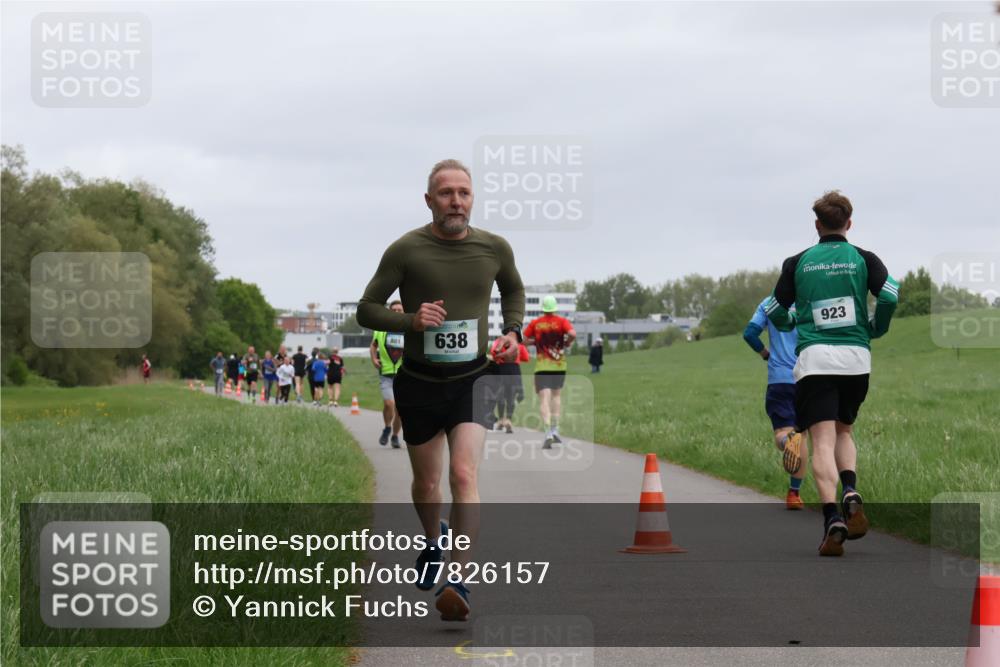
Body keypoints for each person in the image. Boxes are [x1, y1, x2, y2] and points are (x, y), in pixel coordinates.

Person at [356, 159, 525, 622]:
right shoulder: (405, 250)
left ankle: (459, 577)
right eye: (446, 193)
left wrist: (513, 330)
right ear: (429, 200)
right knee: (427, 482)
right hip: (420, 381)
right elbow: (366, 309)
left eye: (464, 193)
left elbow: (513, 289)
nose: (456, 201)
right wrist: (411, 320)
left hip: (474, 377)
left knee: (464, 476)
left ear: (473, 199)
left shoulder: (494, 247)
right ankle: (434, 541)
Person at [766, 190, 899, 557]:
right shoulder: (863, 258)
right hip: (857, 358)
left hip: (815, 359)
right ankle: (851, 489)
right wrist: (877, 327)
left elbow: (775, 308)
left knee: (821, 440)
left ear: (817, 225)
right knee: (845, 430)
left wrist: (793, 320)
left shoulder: (798, 261)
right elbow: (889, 295)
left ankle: (831, 520)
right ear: (849, 224)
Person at [744, 300, 806, 510]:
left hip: (779, 380)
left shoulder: (769, 303)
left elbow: (750, 334)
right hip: (808, 377)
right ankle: (794, 494)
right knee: (802, 436)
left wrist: (765, 354)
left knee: (784, 433)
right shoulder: (810, 299)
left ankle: (786, 442)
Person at [523, 295, 576, 449]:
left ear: (543, 308)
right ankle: (556, 429)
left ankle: (547, 433)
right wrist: (567, 342)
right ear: (554, 308)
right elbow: (572, 334)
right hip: (559, 366)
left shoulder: (536, 323)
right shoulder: (561, 322)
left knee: (543, 399)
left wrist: (536, 342)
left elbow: (523, 340)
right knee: (556, 396)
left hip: (542, 367)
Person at [370, 301, 405, 448]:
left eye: (399, 310)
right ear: (389, 312)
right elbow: (373, 345)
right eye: (394, 310)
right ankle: (387, 428)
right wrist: (373, 358)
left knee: (400, 410)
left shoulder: (408, 330)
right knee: (389, 403)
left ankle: (395, 436)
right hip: (386, 373)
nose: (397, 312)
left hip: (404, 375)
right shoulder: (381, 329)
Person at [491, 338, 528, 434]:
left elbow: (493, 354)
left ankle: (500, 421)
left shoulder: (498, 342)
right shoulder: (518, 345)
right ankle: (508, 420)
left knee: (501, 397)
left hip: (501, 369)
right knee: (511, 397)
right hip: (514, 370)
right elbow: (526, 358)